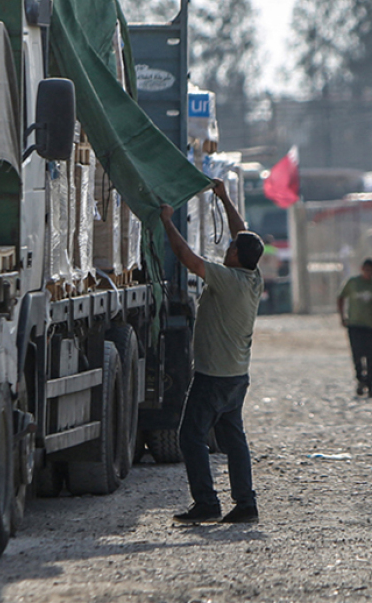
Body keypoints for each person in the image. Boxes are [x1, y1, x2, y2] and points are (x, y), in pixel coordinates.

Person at [159, 179, 265, 524]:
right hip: (236, 377)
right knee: (233, 438)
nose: (229, 246)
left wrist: (166, 222)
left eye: (232, 246)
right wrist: (224, 198)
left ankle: (206, 502)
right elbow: (244, 235)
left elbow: (187, 258)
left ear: (234, 255)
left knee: (190, 436)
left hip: (213, 377)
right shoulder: (253, 277)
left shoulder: (225, 277)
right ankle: (245, 503)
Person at [337, 258, 372, 398]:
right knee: (357, 355)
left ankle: (370, 385)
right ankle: (360, 380)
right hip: (355, 325)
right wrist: (342, 317)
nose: (368, 273)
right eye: (366, 270)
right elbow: (341, 298)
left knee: (371, 357)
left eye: (371, 271)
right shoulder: (353, 283)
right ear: (362, 269)